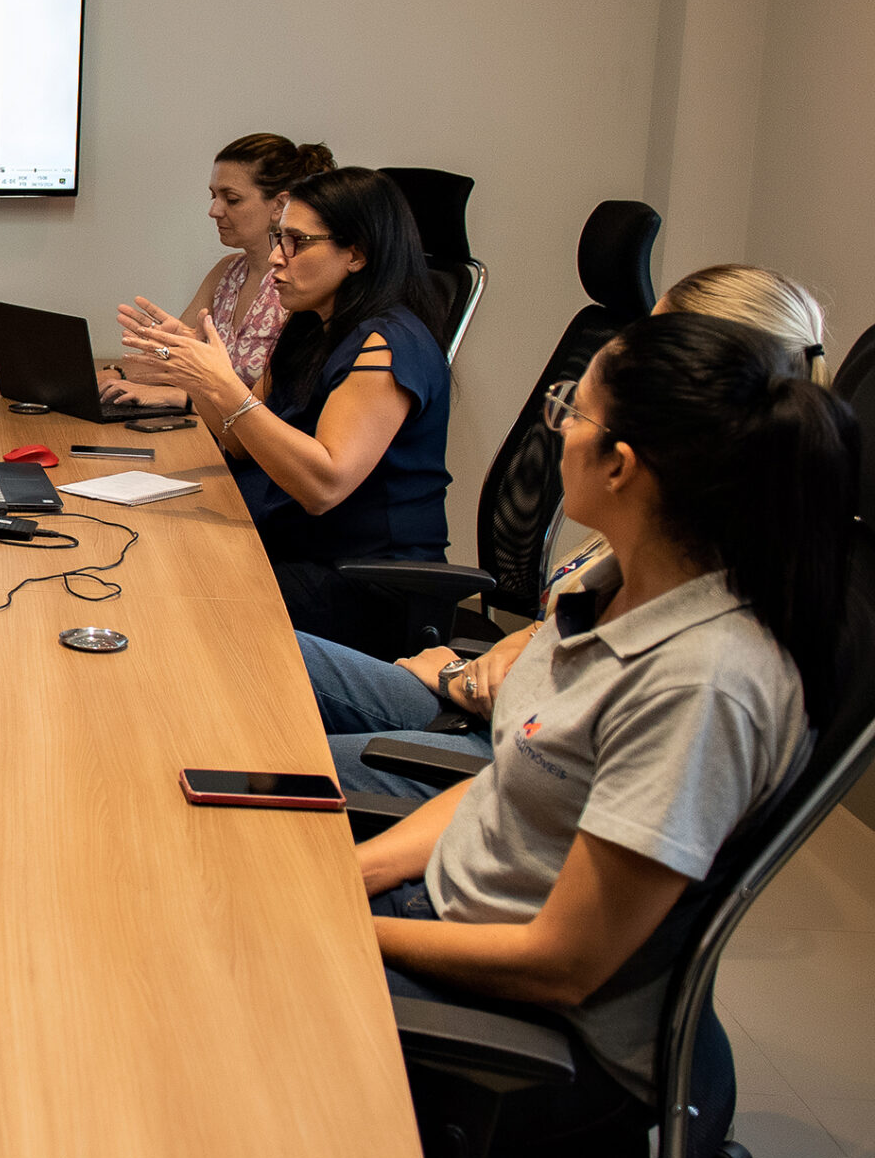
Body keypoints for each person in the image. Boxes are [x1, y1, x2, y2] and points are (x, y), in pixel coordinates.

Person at [356, 312, 855, 1131]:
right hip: (447, 918)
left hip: (532, 1032)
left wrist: (347, 930)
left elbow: (562, 965)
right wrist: (353, 877)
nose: (557, 432)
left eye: (571, 411)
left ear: (621, 463)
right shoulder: (617, 584)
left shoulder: (703, 685)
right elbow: (506, 781)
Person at [307, 264, 834, 796]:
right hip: (492, 713)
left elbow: (564, 739)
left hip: (505, 755)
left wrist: (457, 679)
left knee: (279, 755)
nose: (562, 427)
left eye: (649, 341)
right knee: (259, 663)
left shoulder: (692, 581)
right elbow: (566, 645)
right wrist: (518, 646)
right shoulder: (649, 530)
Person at [119, 166, 450, 656]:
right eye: (279, 238)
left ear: (355, 254)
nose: (276, 257)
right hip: (297, 549)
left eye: (297, 241)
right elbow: (239, 441)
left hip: (364, 584)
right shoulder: (308, 326)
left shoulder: (387, 345)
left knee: (171, 602)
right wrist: (195, 373)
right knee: (153, 560)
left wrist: (223, 384)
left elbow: (323, 485)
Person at [103, 133, 335, 406]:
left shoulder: (302, 288)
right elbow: (172, 360)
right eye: (214, 196)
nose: (214, 210)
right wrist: (113, 374)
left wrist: (182, 399)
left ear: (279, 206)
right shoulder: (227, 272)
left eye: (232, 199)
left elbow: (282, 405)